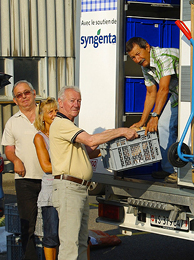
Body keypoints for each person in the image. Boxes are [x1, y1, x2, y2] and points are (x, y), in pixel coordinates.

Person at [49, 86, 138, 260]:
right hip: (69, 189)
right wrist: (121, 131)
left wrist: (113, 140)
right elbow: (90, 140)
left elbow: (88, 151)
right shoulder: (62, 124)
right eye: (72, 100)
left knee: (82, 242)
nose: (76, 104)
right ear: (60, 102)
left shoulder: (69, 126)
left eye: (79, 101)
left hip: (79, 189)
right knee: (70, 245)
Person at [126, 37, 179, 182]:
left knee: (185, 129)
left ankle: (185, 171)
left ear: (147, 47)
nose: (137, 59)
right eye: (133, 57)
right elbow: (151, 93)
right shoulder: (145, 66)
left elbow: (163, 89)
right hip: (179, 95)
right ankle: (170, 170)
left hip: (189, 94)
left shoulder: (164, 57)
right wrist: (142, 121)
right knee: (163, 126)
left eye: (138, 54)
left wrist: (154, 116)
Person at [2, 80, 43, 260]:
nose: (24, 97)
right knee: (27, 226)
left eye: (26, 92)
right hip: (25, 180)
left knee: (54, 224)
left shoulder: (47, 115)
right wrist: (15, 160)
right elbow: (8, 149)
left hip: (51, 177)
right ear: (14, 100)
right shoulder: (12, 122)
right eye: (19, 95)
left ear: (34, 93)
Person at [33, 97, 59, 260]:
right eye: (51, 112)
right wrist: (70, 166)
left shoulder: (62, 133)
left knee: (70, 235)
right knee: (51, 235)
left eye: (56, 110)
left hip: (67, 189)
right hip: (51, 191)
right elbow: (46, 166)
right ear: (42, 116)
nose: (55, 114)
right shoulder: (40, 137)